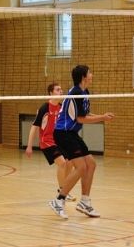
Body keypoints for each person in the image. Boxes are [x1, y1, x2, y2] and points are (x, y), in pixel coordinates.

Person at [49, 65, 114, 219]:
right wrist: (102, 118)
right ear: (84, 77)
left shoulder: (84, 92)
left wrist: (101, 115)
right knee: (81, 167)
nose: (92, 75)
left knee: (91, 164)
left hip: (71, 133)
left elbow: (84, 113)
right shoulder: (75, 93)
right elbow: (80, 119)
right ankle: (59, 200)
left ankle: (84, 202)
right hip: (63, 133)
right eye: (90, 73)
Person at [25, 82, 75, 202]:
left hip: (59, 141)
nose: (61, 91)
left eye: (61, 89)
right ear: (51, 93)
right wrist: (29, 146)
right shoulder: (44, 108)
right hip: (47, 142)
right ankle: (62, 192)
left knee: (70, 162)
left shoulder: (62, 107)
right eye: (58, 90)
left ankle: (65, 189)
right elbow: (34, 127)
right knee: (62, 163)